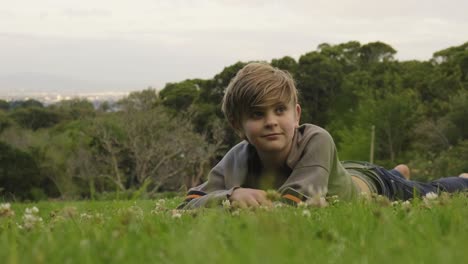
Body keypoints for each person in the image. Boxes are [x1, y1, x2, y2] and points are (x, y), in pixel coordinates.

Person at [178, 62, 468, 209]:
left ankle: (458, 179)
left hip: (373, 185)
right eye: (257, 114)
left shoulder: (318, 139)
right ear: (236, 124)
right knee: (371, 174)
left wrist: (233, 204)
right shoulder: (236, 157)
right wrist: (232, 194)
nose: (271, 122)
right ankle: (398, 171)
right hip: (342, 172)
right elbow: (189, 202)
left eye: (280, 110)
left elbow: (295, 203)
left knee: (431, 192)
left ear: (297, 114)